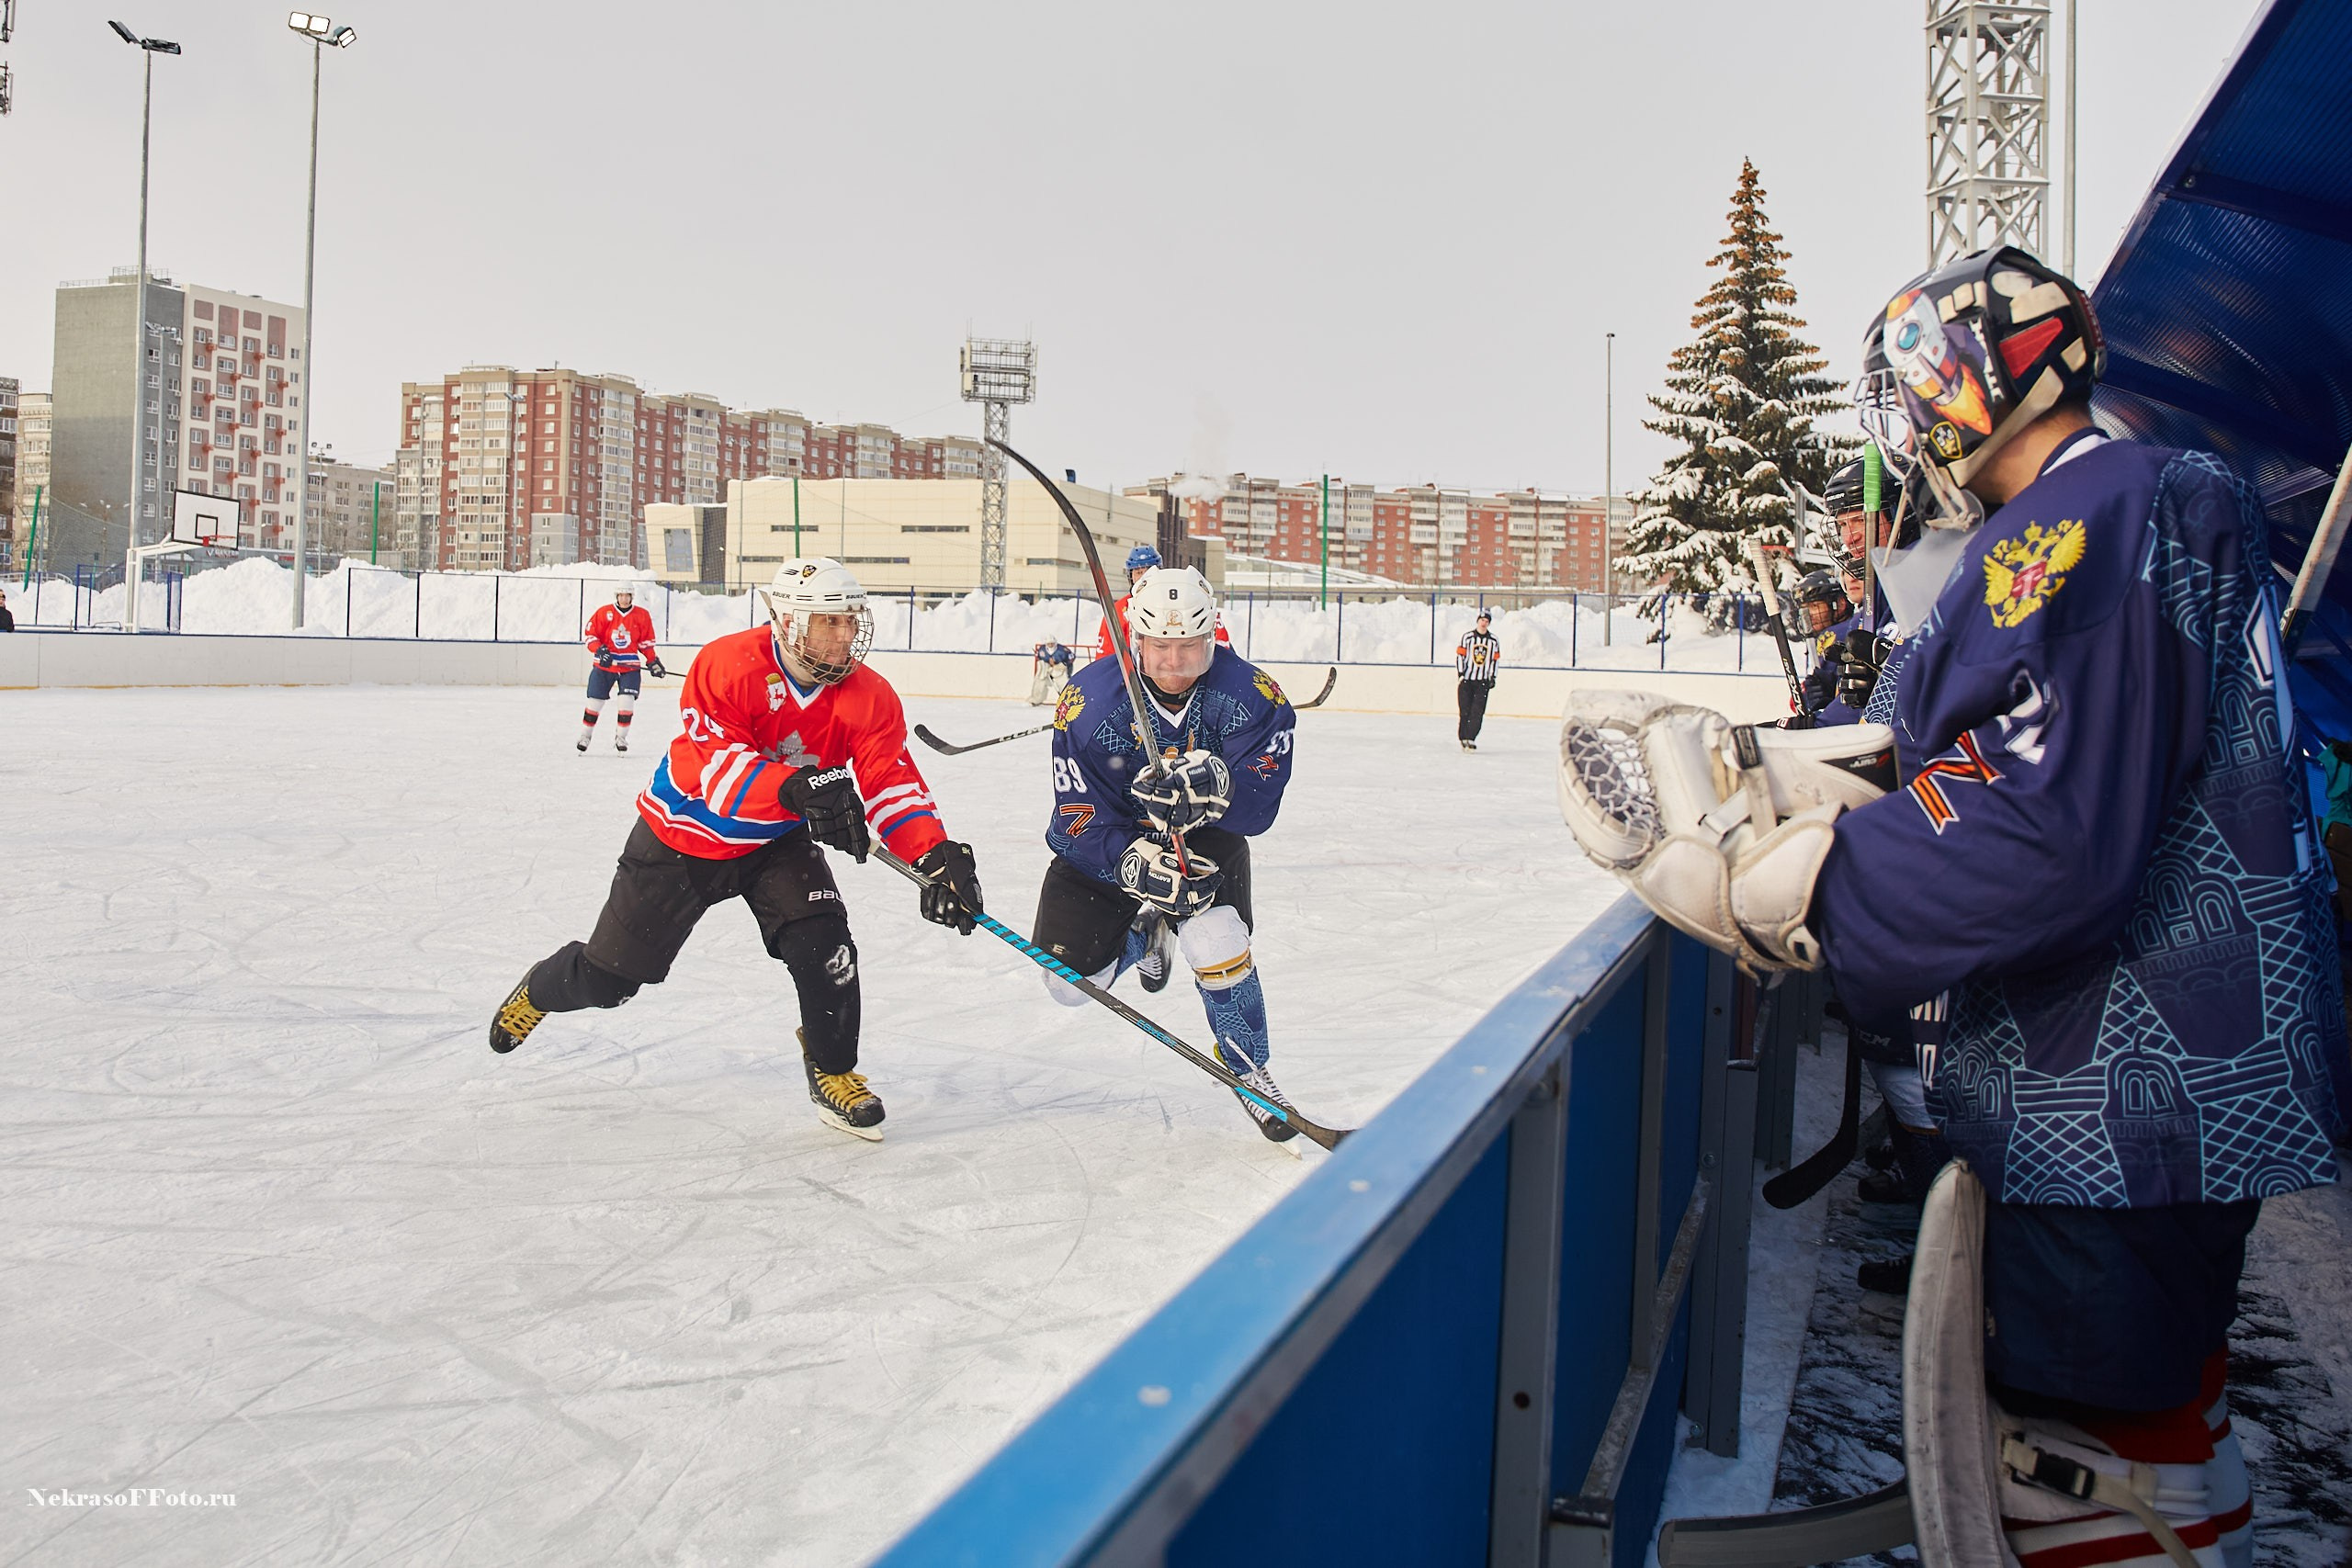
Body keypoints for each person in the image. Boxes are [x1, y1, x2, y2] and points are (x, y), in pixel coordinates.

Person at [1561, 246, 2346, 1564]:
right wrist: (1851, 784)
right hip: (2123, 1098)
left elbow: (2056, 825)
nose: (1910, 423)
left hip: (2116, 1098)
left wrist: (1816, 886)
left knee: (2094, 1478)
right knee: (2133, 1439)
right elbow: (2016, 763)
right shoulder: (2115, 510)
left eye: (1917, 387)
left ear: (1976, 374)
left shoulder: (2105, 505)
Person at [488, 558, 986, 1143]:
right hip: (683, 837)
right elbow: (714, 770)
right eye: (828, 623)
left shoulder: (869, 695)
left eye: (851, 621)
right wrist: (797, 788)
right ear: (785, 619)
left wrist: (933, 856)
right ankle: (542, 987)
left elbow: (891, 780)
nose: (845, 635)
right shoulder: (727, 664)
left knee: (827, 950)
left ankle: (833, 1072)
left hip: (776, 843)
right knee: (610, 981)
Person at [1036, 565, 1303, 1140]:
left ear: (1214, 636)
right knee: (1065, 983)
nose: (1174, 662)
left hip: (1202, 836)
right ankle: (1143, 939)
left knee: (1217, 938)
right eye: (1160, 645)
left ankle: (1248, 1068)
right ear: (1136, 638)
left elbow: (1261, 808)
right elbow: (1076, 814)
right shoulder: (1088, 699)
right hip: (1109, 841)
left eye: (1189, 646)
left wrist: (1220, 788)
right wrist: (1129, 860)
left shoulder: (1252, 697)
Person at [1094, 545, 1232, 662]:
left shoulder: (1186, 599)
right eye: (1139, 572)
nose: (1144, 577)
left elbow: (1220, 644)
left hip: (1187, 673)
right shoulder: (1118, 611)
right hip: (1135, 682)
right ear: (1131, 576)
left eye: (1149, 571)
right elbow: (1105, 657)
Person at [579, 583, 665, 754]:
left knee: (627, 702)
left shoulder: (642, 615)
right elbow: (590, 635)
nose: (624, 599)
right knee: (594, 702)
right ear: (616, 596)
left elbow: (645, 643)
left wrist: (652, 661)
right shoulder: (604, 612)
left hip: (629, 666)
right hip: (605, 666)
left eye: (627, 595)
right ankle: (585, 736)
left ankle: (621, 738)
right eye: (621, 595)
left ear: (632, 597)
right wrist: (600, 649)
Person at [1455, 610, 1500, 750]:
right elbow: (1460, 656)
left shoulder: (1493, 640)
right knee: (1465, 710)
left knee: (1478, 711)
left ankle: (1471, 737)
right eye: (1482, 620)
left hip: (1482, 682)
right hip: (1467, 680)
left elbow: (1495, 660)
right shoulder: (1467, 637)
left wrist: (1493, 677)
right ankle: (1463, 737)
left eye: (1486, 621)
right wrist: (1461, 673)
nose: (1483, 623)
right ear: (1477, 621)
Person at [1030, 636, 1075, 705]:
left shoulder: (1063, 650)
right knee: (1040, 680)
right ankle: (1036, 699)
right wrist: (1046, 662)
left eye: (1052, 643)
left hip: (1060, 668)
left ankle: (1068, 699)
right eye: (1049, 644)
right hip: (1047, 666)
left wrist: (1064, 664)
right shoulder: (1042, 650)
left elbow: (1072, 657)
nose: (1050, 645)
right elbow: (1039, 657)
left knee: (1063, 682)